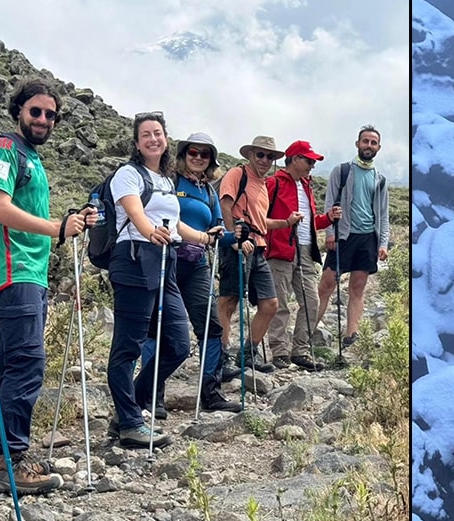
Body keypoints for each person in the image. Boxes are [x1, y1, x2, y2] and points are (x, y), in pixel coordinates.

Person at [0, 80, 93, 495]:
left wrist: (66, 223)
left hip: (30, 274)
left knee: (12, 368)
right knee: (26, 365)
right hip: (14, 271)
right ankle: (10, 460)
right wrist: (58, 227)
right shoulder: (4, 150)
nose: (43, 119)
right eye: (35, 111)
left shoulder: (31, 158)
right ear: (18, 111)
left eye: (50, 114)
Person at [105, 112, 222, 449]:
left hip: (165, 261)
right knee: (127, 346)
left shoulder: (167, 180)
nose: (153, 139)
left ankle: (130, 408)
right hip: (135, 260)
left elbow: (174, 225)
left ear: (166, 138)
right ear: (137, 141)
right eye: (146, 134)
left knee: (178, 344)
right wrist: (151, 232)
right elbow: (136, 214)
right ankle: (129, 422)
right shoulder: (127, 175)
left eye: (158, 133)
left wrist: (202, 237)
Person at [138, 132, 240, 414]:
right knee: (156, 329)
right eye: (192, 152)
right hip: (165, 260)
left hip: (196, 265)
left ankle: (211, 392)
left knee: (210, 327)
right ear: (183, 156)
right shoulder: (170, 182)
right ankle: (151, 395)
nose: (198, 158)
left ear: (211, 161)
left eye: (204, 154)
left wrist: (237, 236)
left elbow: (217, 231)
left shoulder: (208, 191)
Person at [217, 135, 298, 374]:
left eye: (270, 156)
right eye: (260, 154)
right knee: (229, 301)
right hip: (239, 244)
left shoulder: (263, 184)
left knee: (270, 303)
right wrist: (234, 240)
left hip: (258, 246)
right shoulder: (236, 174)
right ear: (250, 155)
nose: (265, 160)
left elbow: (261, 222)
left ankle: (247, 353)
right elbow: (225, 205)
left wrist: (286, 222)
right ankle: (219, 358)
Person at [264, 140, 340, 371]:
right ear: (294, 159)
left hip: (306, 250)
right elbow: (260, 216)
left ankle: (300, 350)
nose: (311, 166)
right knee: (281, 302)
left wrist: (327, 218)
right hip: (280, 250)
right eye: (308, 161)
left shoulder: (306, 186)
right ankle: (279, 351)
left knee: (312, 301)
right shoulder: (273, 183)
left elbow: (309, 222)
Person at [316, 125, 391, 351]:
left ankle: (352, 334)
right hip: (343, 236)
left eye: (373, 142)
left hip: (367, 238)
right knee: (326, 285)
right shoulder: (342, 171)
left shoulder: (380, 179)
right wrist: (330, 232)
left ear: (378, 147)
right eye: (365, 141)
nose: (369, 146)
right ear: (357, 144)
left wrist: (383, 242)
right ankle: (308, 331)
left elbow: (383, 214)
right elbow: (329, 202)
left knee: (358, 288)